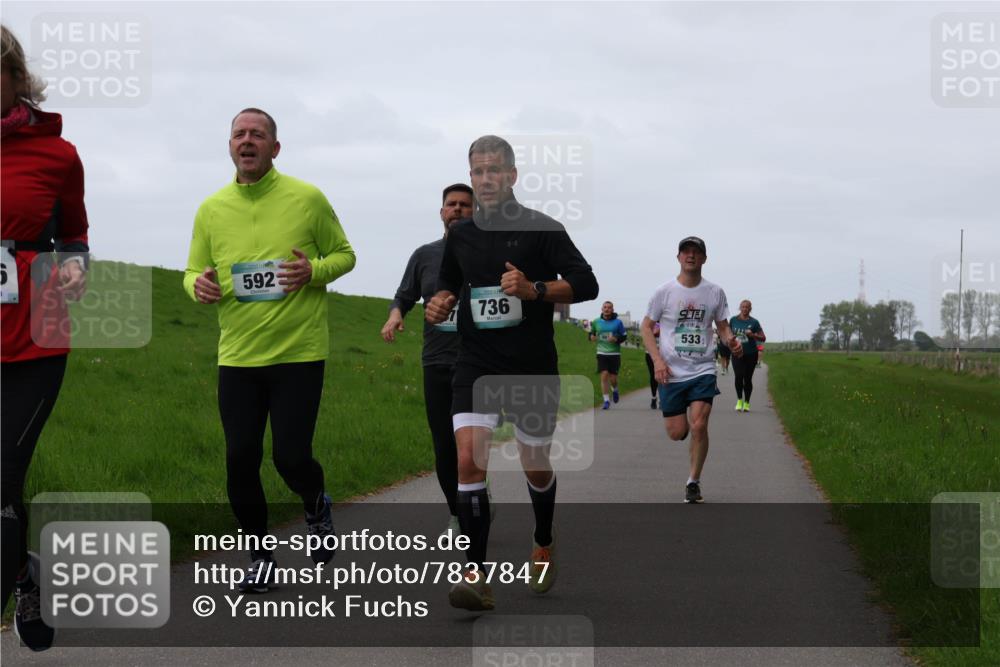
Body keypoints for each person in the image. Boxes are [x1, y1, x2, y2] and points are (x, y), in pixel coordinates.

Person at [184, 108, 356, 591]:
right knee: (239, 457)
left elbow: (345, 253)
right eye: (239, 133)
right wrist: (195, 285)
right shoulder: (211, 209)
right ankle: (259, 555)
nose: (247, 140)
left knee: (290, 457)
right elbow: (191, 269)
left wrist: (313, 272)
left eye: (257, 134)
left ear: (274, 148)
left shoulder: (306, 198)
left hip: (298, 352)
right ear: (230, 146)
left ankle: (315, 499)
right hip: (237, 355)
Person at [425, 135, 598, 611]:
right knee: (468, 462)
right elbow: (446, 286)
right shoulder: (460, 235)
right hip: (476, 363)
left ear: (513, 175)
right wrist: (439, 303)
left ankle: (543, 536)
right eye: (478, 171)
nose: (485, 180)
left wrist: (534, 288)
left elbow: (586, 283)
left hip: (531, 366)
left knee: (534, 462)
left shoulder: (544, 229)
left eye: (494, 171)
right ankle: (475, 574)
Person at [1, 26, 89, 652]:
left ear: (13, 75)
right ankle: (27, 577)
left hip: (37, 334)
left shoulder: (58, 154)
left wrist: (77, 262)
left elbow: (75, 232)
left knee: (3, 476)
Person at [381, 183, 474, 535]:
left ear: (475, 212)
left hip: (476, 363)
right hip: (435, 362)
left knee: (469, 446)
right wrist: (395, 315)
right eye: (451, 204)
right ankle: (457, 511)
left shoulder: (486, 254)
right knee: (443, 444)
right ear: (441, 212)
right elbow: (403, 296)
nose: (458, 210)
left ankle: (475, 489)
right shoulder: (424, 255)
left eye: (465, 205)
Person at [641, 236, 741, 504]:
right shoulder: (664, 292)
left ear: (704, 259)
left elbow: (722, 326)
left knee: (699, 424)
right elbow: (645, 328)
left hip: (702, 369)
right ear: (678, 257)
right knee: (677, 432)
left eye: (696, 252)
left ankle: (693, 482)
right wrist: (658, 361)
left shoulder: (714, 292)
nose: (691, 255)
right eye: (686, 251)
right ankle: (684, 429)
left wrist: (731, 340)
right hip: (671, 371)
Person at [589, 301, 627, 409]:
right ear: (602, 309)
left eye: (609, 307)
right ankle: (606, 401)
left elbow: (624, 336)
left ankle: (615, 389)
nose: (607, 309)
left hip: (614, 353)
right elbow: (591, 333)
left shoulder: (618, 322)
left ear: (612, 310)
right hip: (601, 353)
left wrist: (616, 339)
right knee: (604, 375)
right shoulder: (596, 322)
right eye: (605, 307)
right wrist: (591, 337)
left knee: (613, 379)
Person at [730, 299, 766, 412]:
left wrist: (753, 335)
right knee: (739, 376)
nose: (745, 309)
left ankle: (747, 403)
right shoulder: (733, 320)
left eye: (747, 307)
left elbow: (763, 338)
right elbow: (728, 334)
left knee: (748, 379)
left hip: (751, 353)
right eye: (743, 307)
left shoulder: (754, 322)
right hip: (737, 353)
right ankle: (739, 400)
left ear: (750, 309)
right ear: (740, 307)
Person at [643, 321, 661, 409]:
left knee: (664, 376)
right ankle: (654, 398)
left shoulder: (668, 321)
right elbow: (645, 335)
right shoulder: (649, 323)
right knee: (653, 376)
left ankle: (662, 399)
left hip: (664, 353)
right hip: (650, 353)